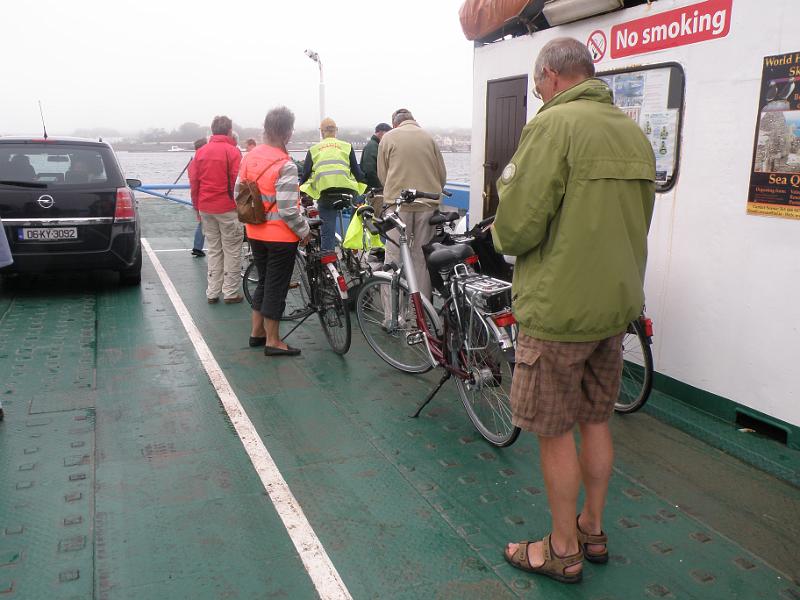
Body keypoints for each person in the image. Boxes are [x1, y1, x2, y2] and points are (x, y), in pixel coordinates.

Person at [492, 38, 656, 584]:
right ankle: (592, 526)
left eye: (538, 83)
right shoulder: (631, 131)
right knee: (597, 419)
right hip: (613, 306)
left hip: (559, 310)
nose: (537, 93)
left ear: (554, 75)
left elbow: (516, 226)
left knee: (555, 431)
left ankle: (561, 548)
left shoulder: (552, 126)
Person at [237, 107, 310, 356]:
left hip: (255, 231)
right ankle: (273, 341)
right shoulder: (285, 164)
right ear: (287, 133)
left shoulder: (249, 157)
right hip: (280, 237)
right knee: (276, 287)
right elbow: (289, 210)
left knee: (264, 282)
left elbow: (239, 192)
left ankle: (256, 333)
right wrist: (305, 231)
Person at [377, 108, 446, 299]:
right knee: (421, 258)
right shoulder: (429, 138)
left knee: (393, 256)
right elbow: (441, 176)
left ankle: (392, 316)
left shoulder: (388, 138)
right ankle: (422, 315)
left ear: (394, 123)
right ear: (414, 120)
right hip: (426, 205)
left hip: (398, 207)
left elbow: (383, 175)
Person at [188, 116, 243, 303]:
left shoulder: (200, 152)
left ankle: (212, 292)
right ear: (229, 130)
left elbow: (194, 182)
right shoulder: (233, 152)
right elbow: (238, 182)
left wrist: (196, 207)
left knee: (214, 250)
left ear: (212, 130)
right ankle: (230, 292)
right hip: (228, 208)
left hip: (205, 207)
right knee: (232, 250)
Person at [299, 118, 366, 253]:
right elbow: (358, 174)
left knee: (327, 233)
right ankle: (353, 247)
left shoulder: (314, 149)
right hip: (348, 194)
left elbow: (305, 174)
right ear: (336, 131)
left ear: (322, 132)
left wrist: (300, 191)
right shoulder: (347, 146)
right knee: (356, 215)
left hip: (327, 195)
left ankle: (329, 264)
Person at [189, 137, 208, 257]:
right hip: (204, 197)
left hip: (200, 197)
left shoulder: (193, 162)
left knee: (203, 223)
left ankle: (197, 247)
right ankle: (197, 247)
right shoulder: (199, 162)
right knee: (203, 223)